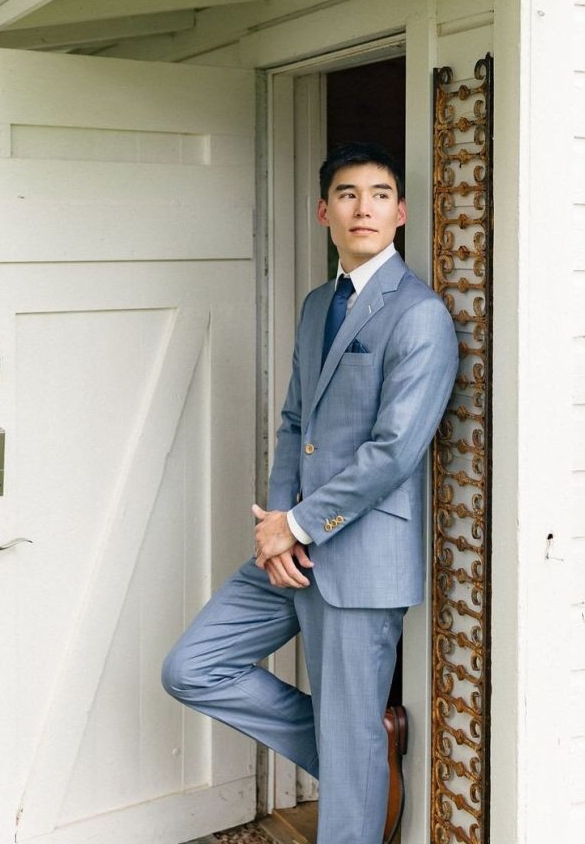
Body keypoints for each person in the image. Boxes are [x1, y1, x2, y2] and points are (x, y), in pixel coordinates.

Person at [162, 142, 458, 844]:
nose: (364, 207)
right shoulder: (317, 303)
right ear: (325, 211)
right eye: (348, 194)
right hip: (290, 549)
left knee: (349, 751)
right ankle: (361, 752)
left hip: (360, 558)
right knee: (193, 667)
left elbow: (394, 451)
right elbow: (296, 421)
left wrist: (295, 524)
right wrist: (275, 529)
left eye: (380, 194)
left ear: (401, 212)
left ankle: (358, 757)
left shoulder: (418, 316)